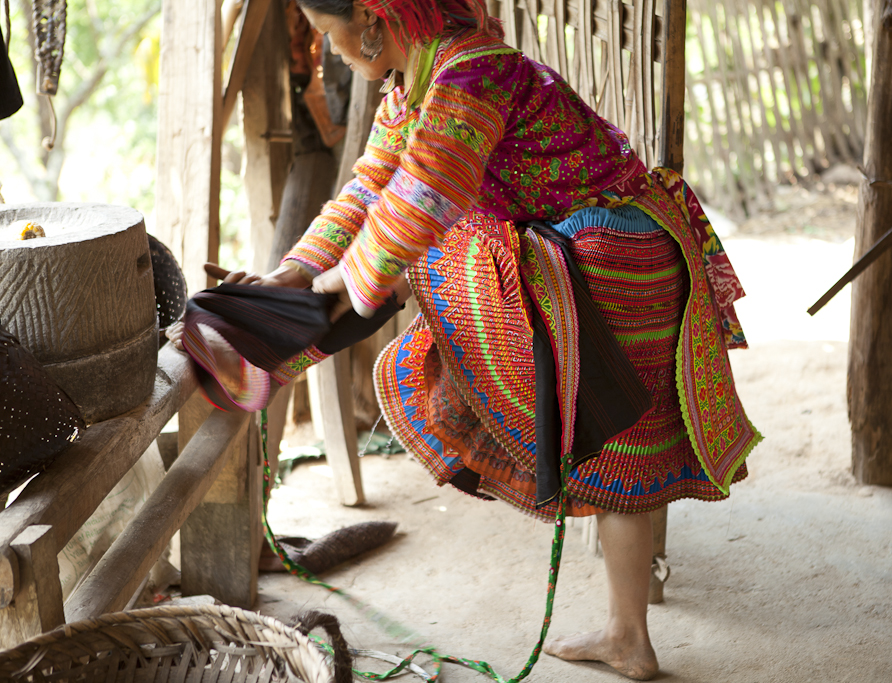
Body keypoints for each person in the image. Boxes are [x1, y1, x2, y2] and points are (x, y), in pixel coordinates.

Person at [173, 1, 760, 678]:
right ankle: (630, 634)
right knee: (606, 440)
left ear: (369, 18)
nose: (326, 51)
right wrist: (293, 273)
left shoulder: (470, 75)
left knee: (615, 441)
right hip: (580, 242)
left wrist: (338, 286)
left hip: (620, 249)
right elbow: (368, 192)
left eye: (326, 33)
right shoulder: (413, 86)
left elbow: (421, 198)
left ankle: (629, 635)